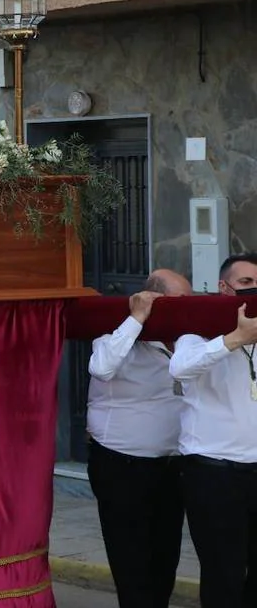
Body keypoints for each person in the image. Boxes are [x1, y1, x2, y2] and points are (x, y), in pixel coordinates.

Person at [87, 269, 190, 608]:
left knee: (165, 560)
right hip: (122, 465)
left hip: (172, 465)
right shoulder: (114, 333)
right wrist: (136, 320)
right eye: (180, 301)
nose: (187, 308)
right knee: (131, 563)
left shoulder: (186, 339)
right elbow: (101, 367)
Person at [170, 253, 257, 607]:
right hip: (213, 474)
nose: (254, 290)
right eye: (246, 283)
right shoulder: (196, 330)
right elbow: (180, 368)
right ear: (224, 287)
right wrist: (234, 339)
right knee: (224, 572)